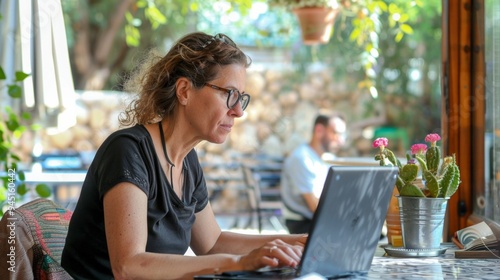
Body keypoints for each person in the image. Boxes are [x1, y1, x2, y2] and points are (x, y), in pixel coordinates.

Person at [61, 32, 306, 280]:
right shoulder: (128, 151)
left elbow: (213, 243)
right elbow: (129, 266)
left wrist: (300, 241)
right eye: (229, 94)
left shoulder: (186, 161)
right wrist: (241, 263)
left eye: (241, 98)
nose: (238, 111)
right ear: (185, 91)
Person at [280, 114, 347, 234]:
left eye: (343, 135)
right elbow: (315, 206)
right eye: (336, 133)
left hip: (321, 220)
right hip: (304, 224)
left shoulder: (328, 158)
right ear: (319, 130)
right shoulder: (302, 158)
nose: (341, 141)